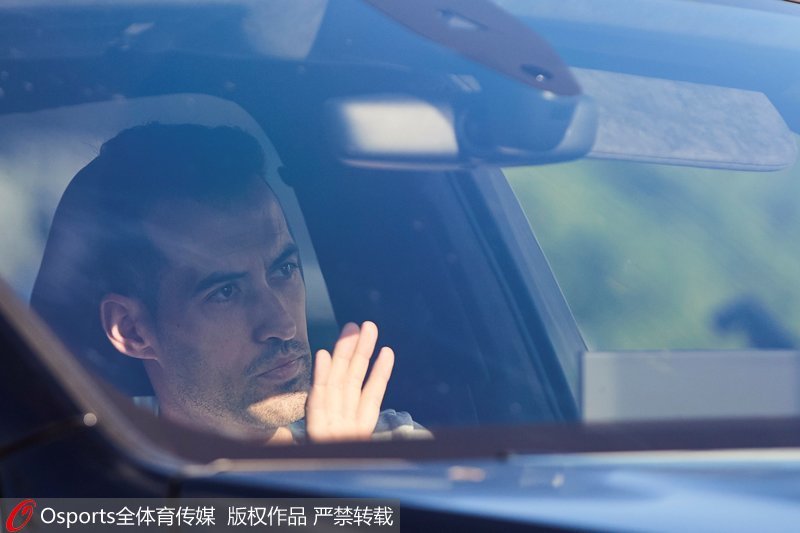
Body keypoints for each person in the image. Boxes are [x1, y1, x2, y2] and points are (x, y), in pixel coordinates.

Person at [31, 123, 425, 443]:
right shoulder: (87, 477)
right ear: (133, 330)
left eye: (284, 270)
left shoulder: (391, 448)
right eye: (225, 292)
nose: (282, 324)